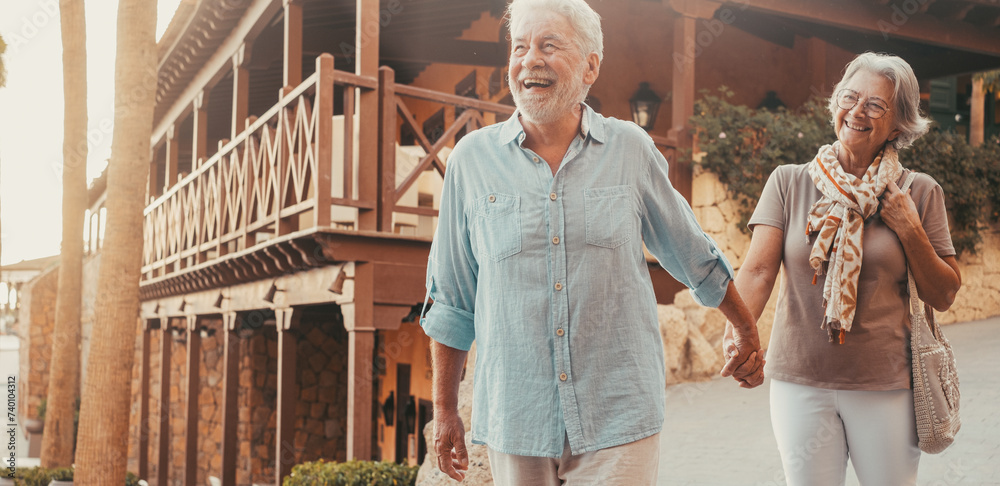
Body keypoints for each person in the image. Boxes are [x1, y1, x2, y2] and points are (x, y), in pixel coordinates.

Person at [420, 0, 764, 484]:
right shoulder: (470, 162)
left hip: (618, 414)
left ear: (590, 66)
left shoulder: (630, 149)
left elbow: (691, 251)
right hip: (516, 416)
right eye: (519, 47)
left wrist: (745, 328)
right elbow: (452, 298)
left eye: (548, 45)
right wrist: (446, 410)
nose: (529, 60)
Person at [730, 52, 962, 485]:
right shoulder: (789, 181)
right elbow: (758, 272)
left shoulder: (919, 191)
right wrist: (739, 332)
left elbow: (944, 294)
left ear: (898, 124)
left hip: (886, 386)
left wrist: (910, 228)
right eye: (849, 97)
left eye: (875, 105)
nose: (857, 111)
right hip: (798, 382)